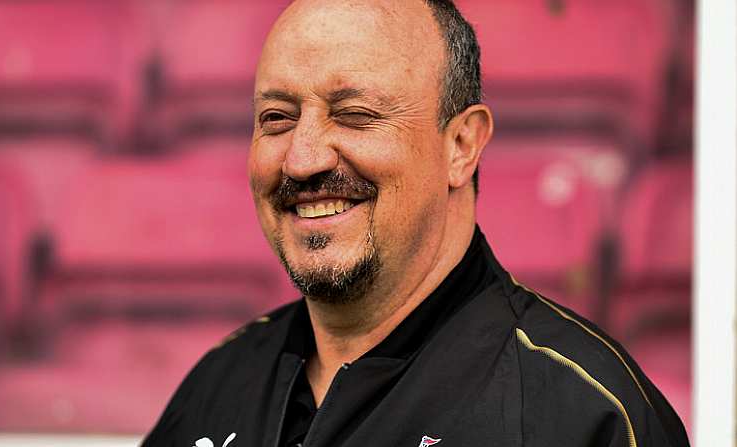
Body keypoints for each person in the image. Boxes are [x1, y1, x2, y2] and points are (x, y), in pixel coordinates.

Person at [143, 0, 690, 446]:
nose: (302, 159)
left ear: (461, 145)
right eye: (277, 119)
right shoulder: (217, 388)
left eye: (355, 114)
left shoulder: (582, 418)